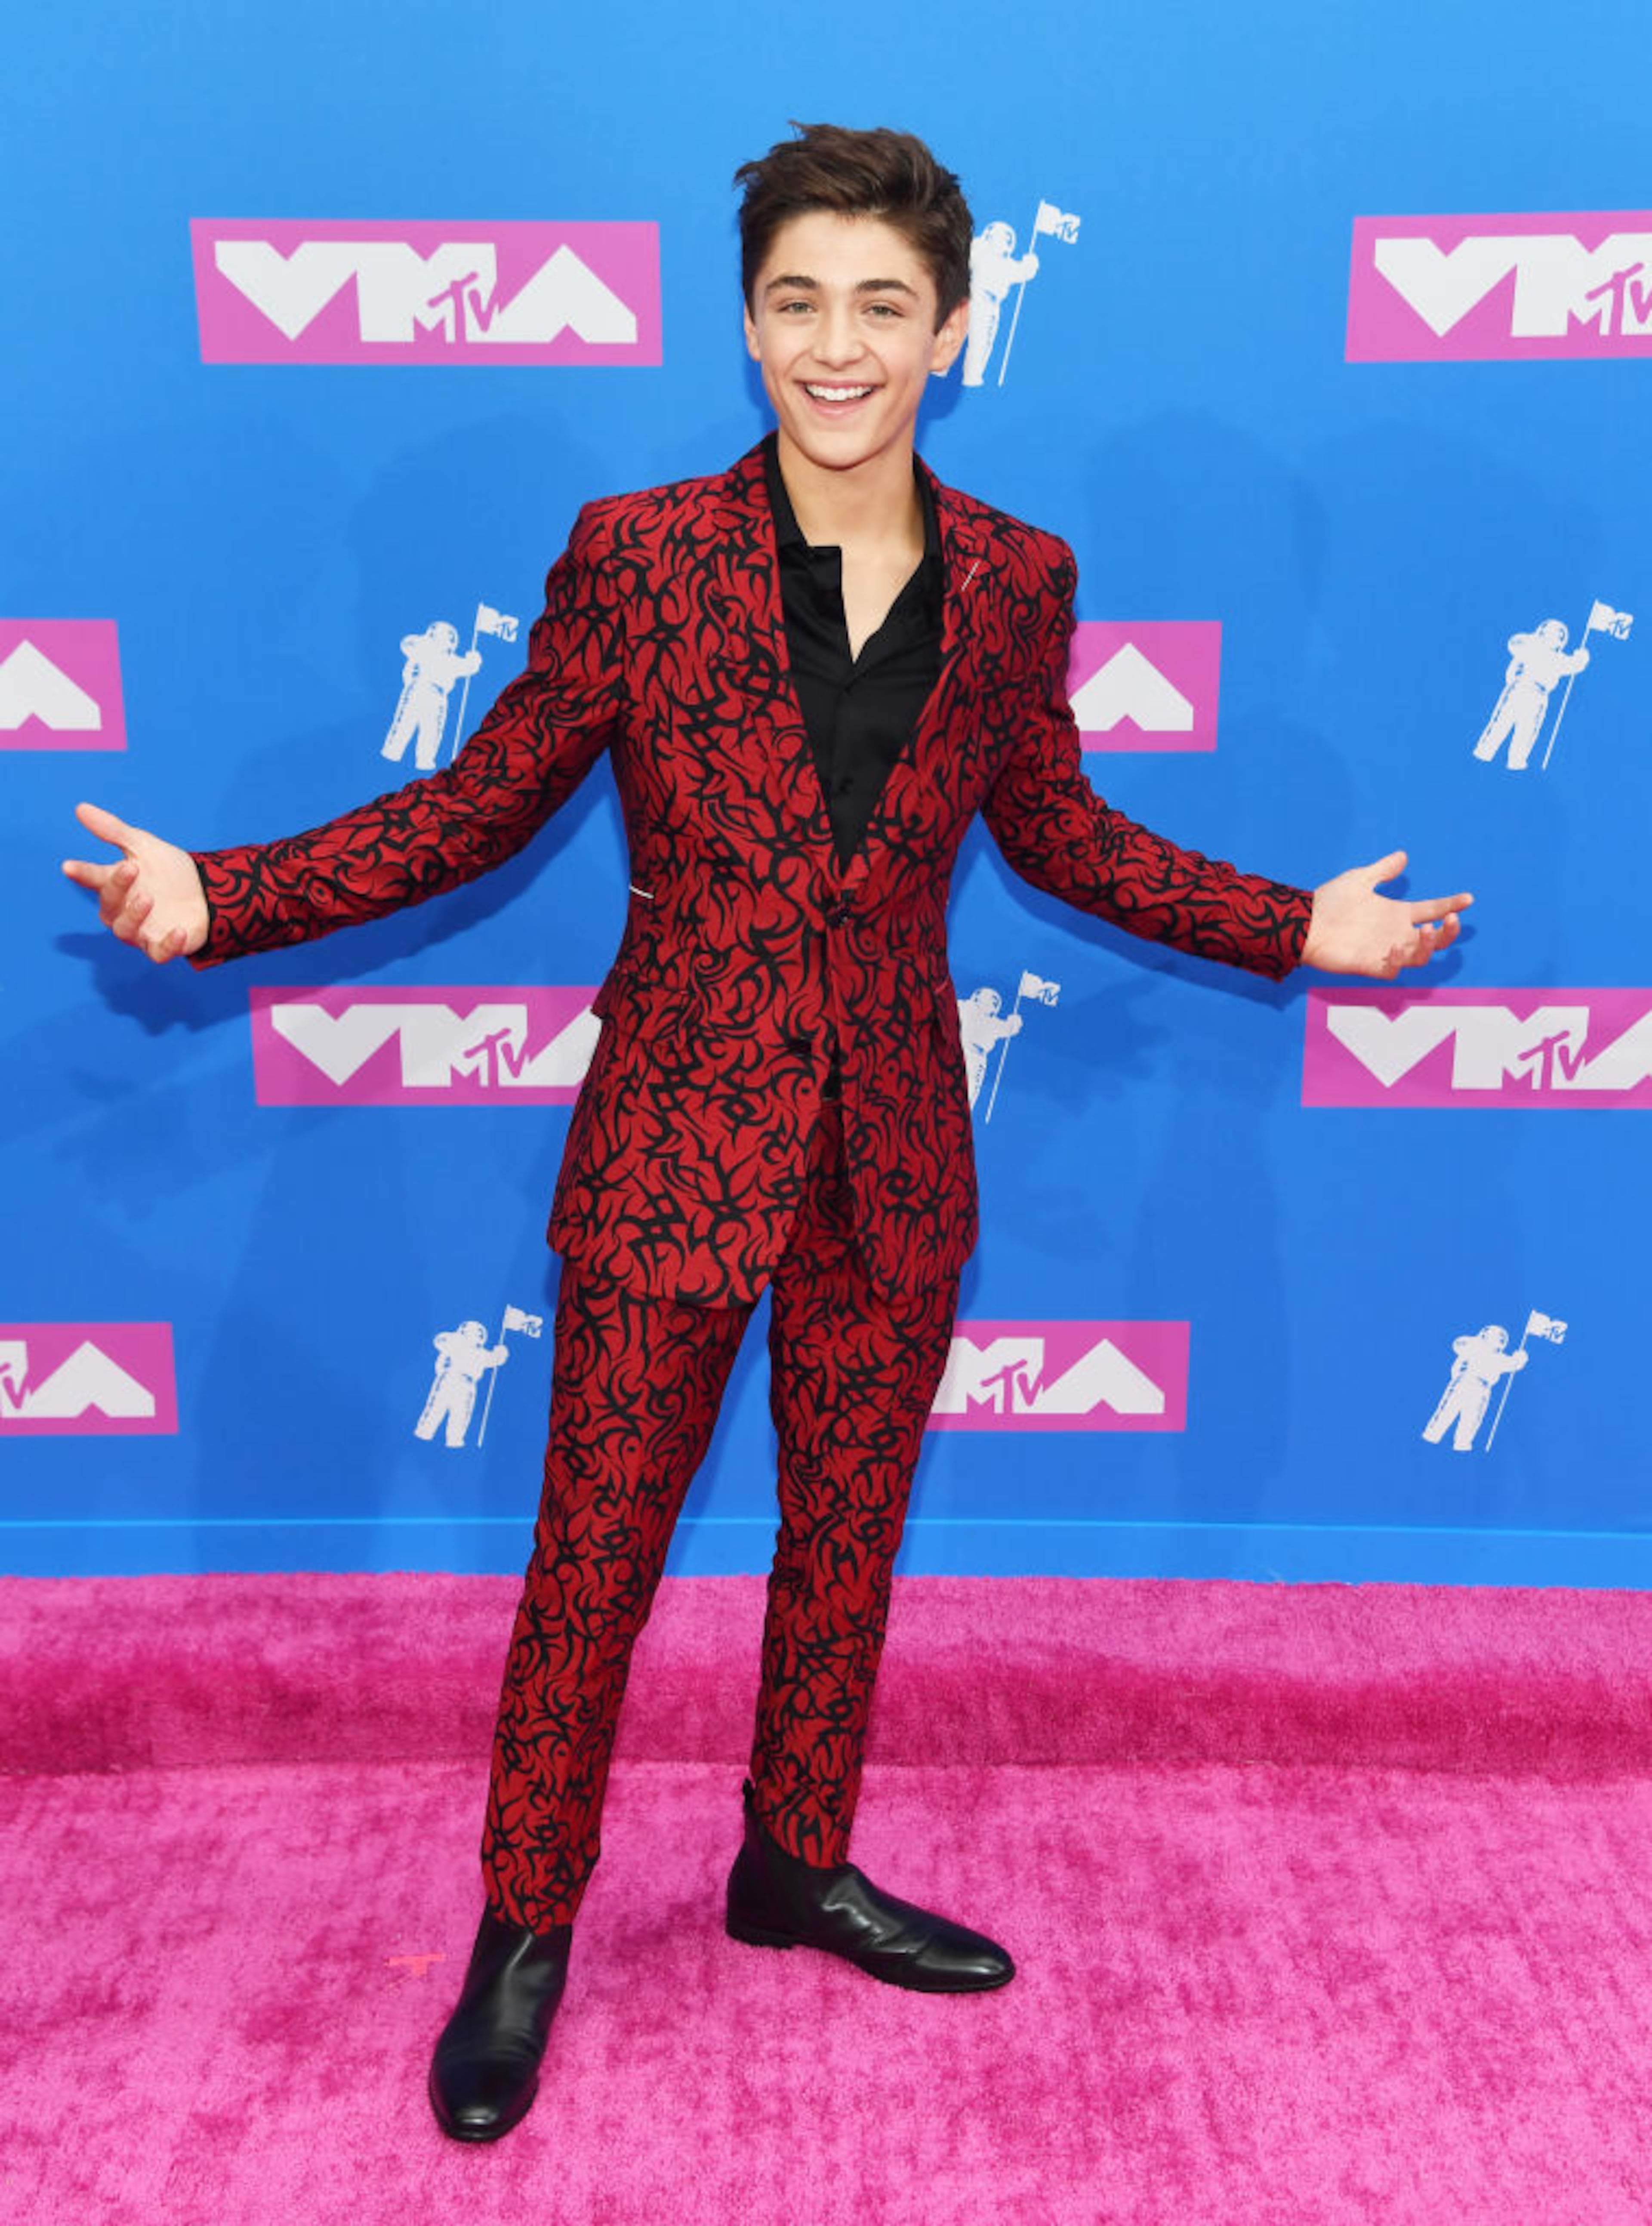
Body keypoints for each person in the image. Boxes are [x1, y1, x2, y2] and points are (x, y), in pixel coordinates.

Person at [62, 122, 1472, 2146]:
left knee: (844, 1544)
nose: (840, 346)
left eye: (882, 308)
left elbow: (1060, 835)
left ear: (954, 332)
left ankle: (791, 1863)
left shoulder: (1015, 582)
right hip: (671, 1147)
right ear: (747, 324)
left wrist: (1294, 922)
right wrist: (227, 895)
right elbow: (480, 805)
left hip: (896, 1153)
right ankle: (524, 1930)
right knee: (593, 1565)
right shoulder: (640, 556)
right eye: (801, 303)